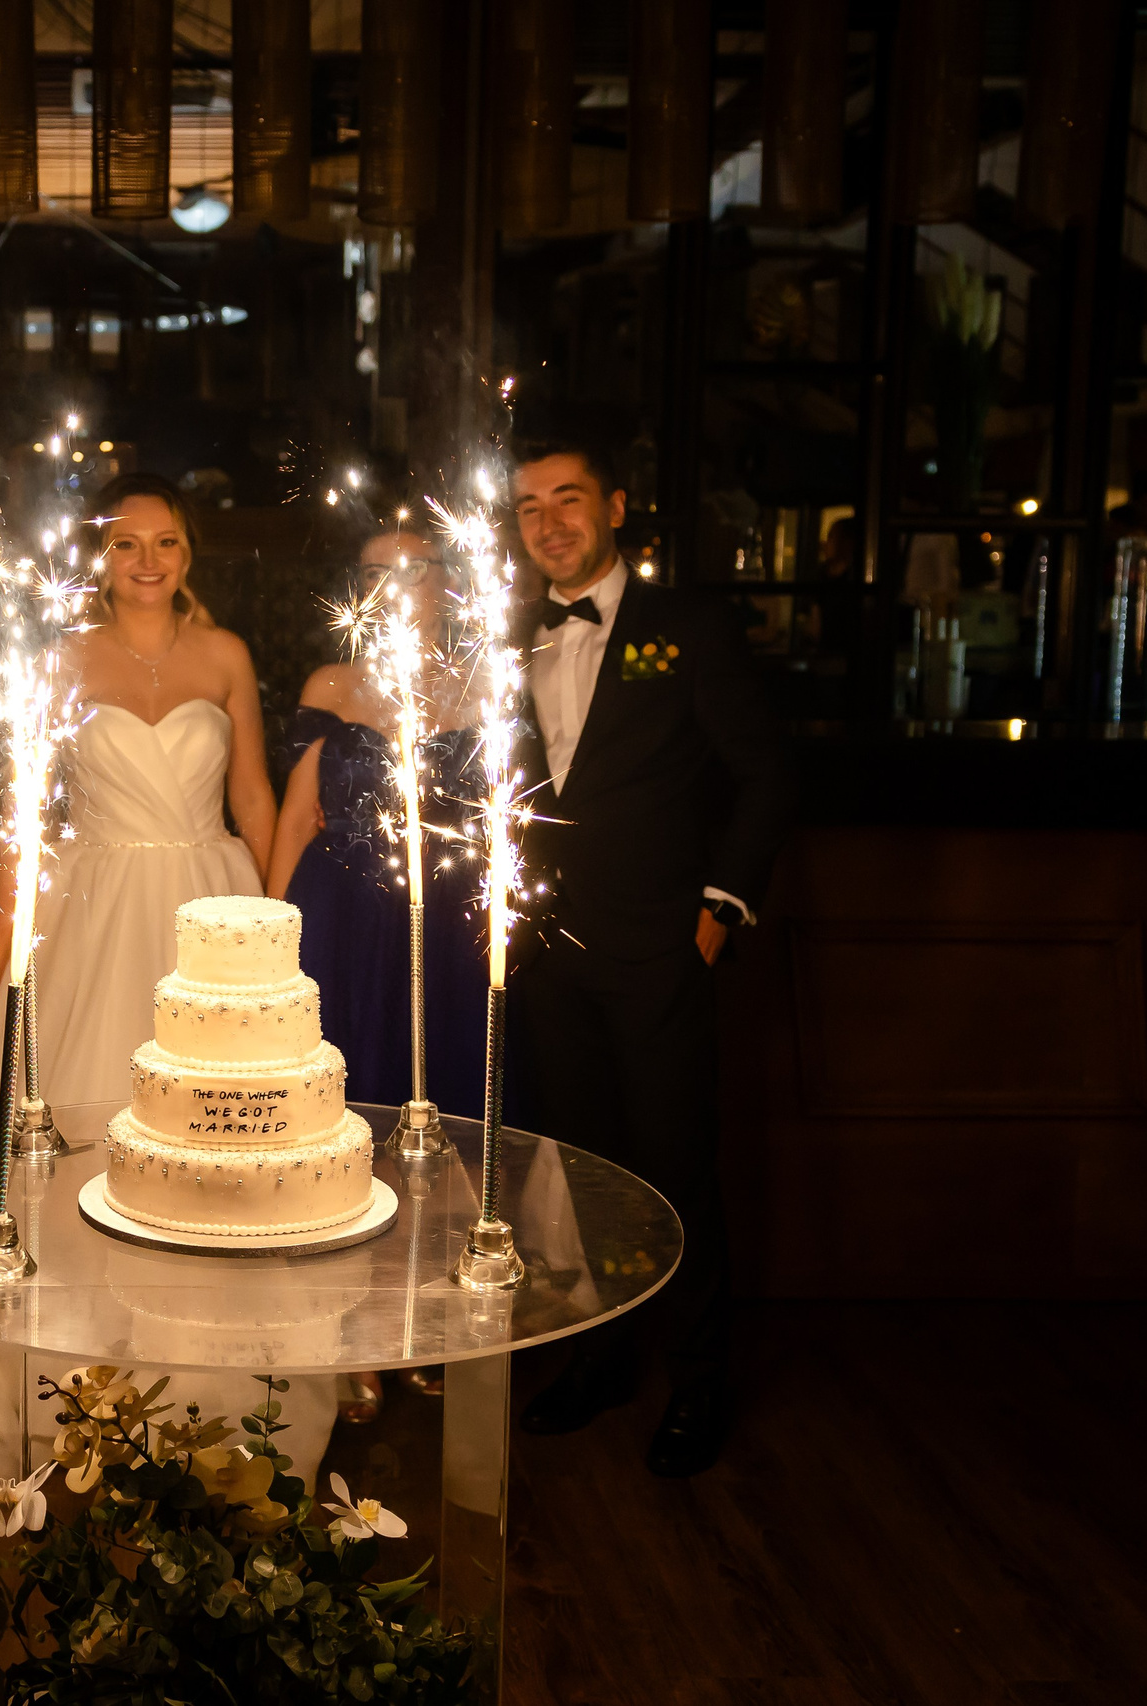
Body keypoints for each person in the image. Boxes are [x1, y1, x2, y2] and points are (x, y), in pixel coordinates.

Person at [0, 471, 340, 1483]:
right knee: (68, 1123)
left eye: (165, 543)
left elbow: (251, 795)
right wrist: (7, 926)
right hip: (94, 899)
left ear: (189, 554)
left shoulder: (225, 654)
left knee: (211, 1137)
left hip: (208, 900)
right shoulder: (62, 657)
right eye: (124, 544)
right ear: (96, 558)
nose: (146, 561)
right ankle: (68, 1379)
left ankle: (218, 1378)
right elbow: (21, 804)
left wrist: (278, 924)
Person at [505, 421, 796, 1478]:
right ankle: (597, 1359)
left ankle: (699, 1379)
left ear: (615, 506)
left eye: (568, 498)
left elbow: (764, 773)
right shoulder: (507, 638)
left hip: (660, 948)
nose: (549, 522)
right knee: (579, 1172)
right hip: (548, 953)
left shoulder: (687, 624)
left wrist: (716, 910)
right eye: (530, 506)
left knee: (678, 1164)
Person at [267, 525, 484, 1115]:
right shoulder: (330, 685)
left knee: (450, 1067)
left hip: (452, 907)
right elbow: (294, 819)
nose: (395, 588)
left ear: (452, 580)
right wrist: (274, 935)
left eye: (414, 569)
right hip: (344, 908)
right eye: (375, 575)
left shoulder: (488, 684)